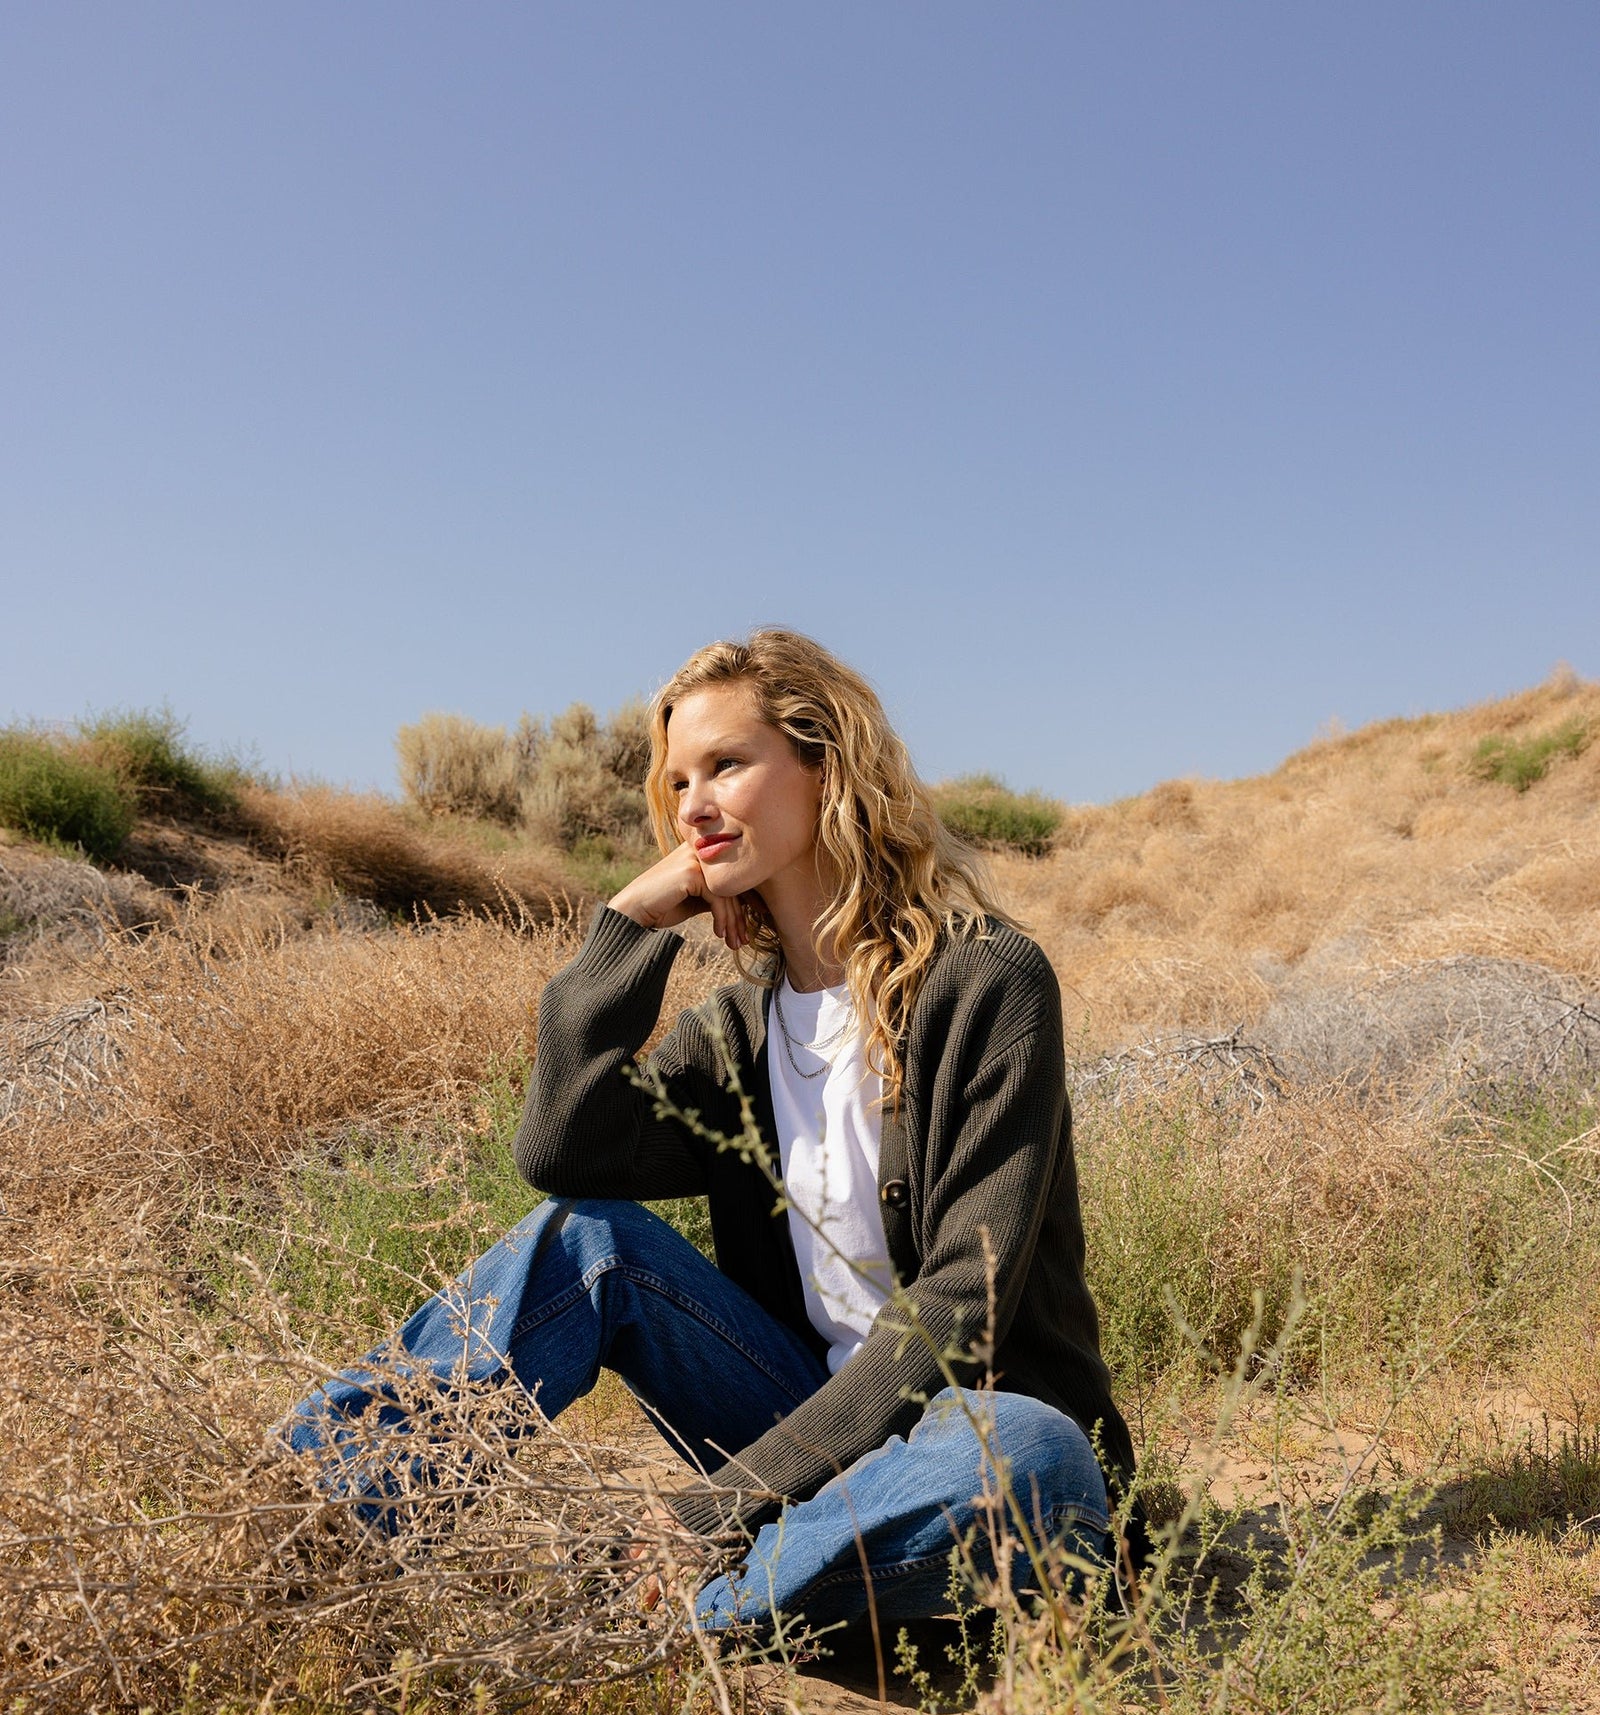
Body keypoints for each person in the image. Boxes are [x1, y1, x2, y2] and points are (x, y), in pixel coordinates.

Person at [287, 629, 1133, 1635]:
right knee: (585, 1237)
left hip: (963, 1431)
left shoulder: (986, 980)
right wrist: (630, 927)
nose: (691, 805)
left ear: (828, 769)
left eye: (727, 765)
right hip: (796, 1437)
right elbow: (561, 1150)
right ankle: (307, 1532)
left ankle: (640, 1602)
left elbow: (962, 1304)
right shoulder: (736, 1032)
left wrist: (713, 1507)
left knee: (1026, 1458)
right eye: (677, 778)